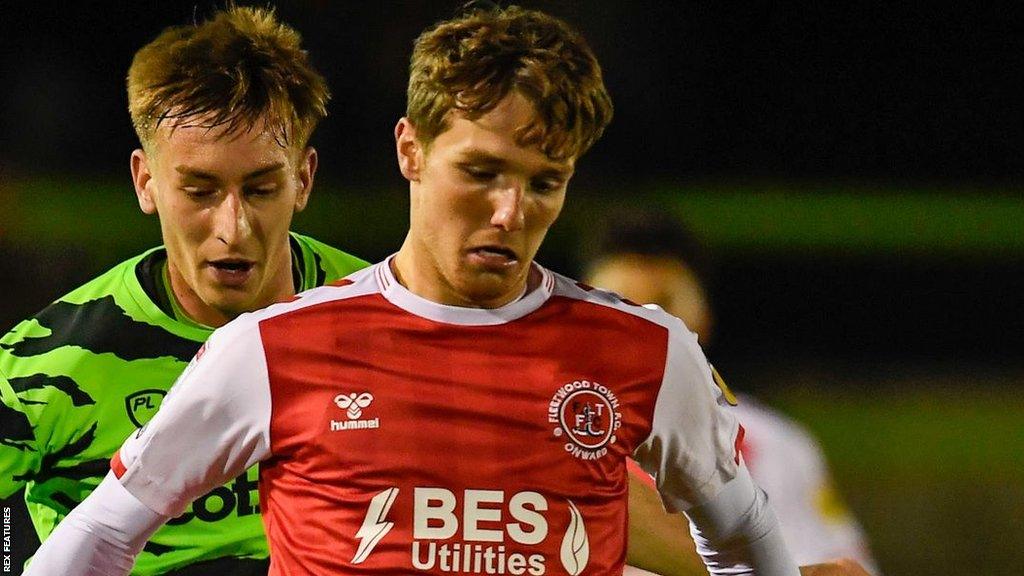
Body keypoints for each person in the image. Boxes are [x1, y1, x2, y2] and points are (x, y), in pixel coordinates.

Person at [27, 5, 871, 575]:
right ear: (410, 150)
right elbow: (102, 531)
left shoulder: (645, 354)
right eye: (481, 171)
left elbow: (741, 533)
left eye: (546, 182)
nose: (510, 211)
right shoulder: (272, 350)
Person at [0, 6, 366, 574]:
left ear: (304, 179)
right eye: (199, 191)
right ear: (146, 182)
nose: (232, 228)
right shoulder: (51, 363)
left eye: (262, 188)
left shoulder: (381, 324)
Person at [587, 211, 881, 575]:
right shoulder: (542, 424)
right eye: (620, 302)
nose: (643, 327)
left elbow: (832, 563)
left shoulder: (772, 443)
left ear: (703, 316)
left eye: (664, 305)